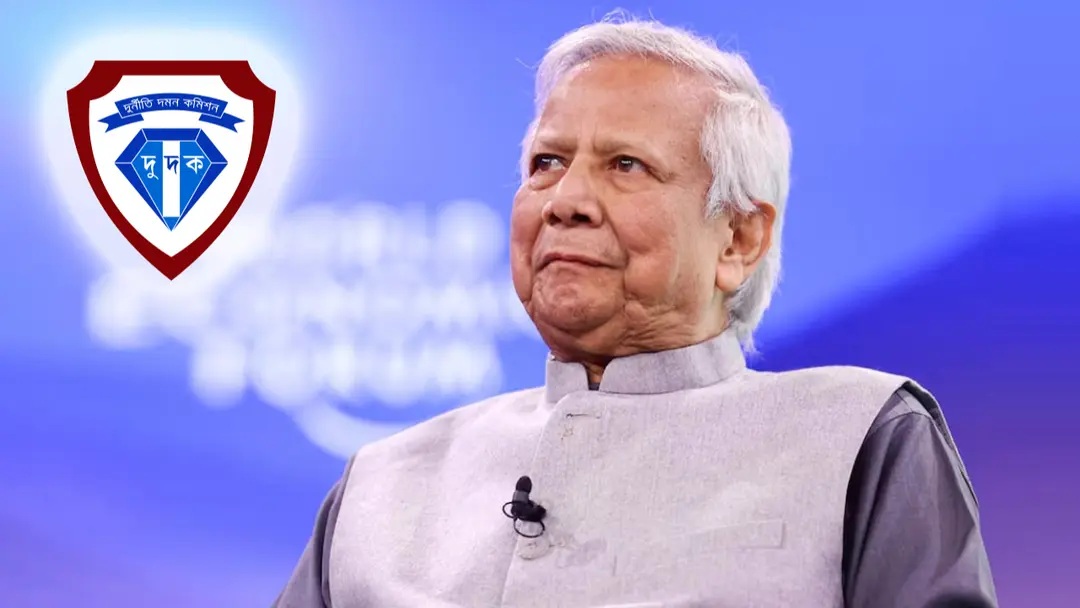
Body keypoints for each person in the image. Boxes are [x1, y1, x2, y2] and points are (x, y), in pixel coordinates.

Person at [274, 16, 997, 608]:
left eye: (626, 165)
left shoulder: (861, 438)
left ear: (739, 239)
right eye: (547, 163)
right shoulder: (381, 485)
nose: (565, 201)